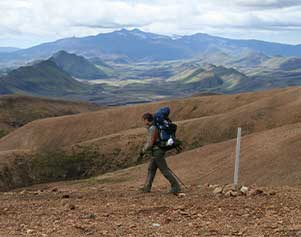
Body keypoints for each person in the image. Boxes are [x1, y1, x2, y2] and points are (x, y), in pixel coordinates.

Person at [138, 112, 181, 194]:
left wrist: (143, 151)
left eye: (144, 120)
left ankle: (176, 187)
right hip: (157, 151)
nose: (143, 122)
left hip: (157, 152)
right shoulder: (155, 126)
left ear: (147, 120)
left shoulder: (152, 128)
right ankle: (147, 187)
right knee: (151, 169)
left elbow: (150, 143)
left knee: (164, 170)